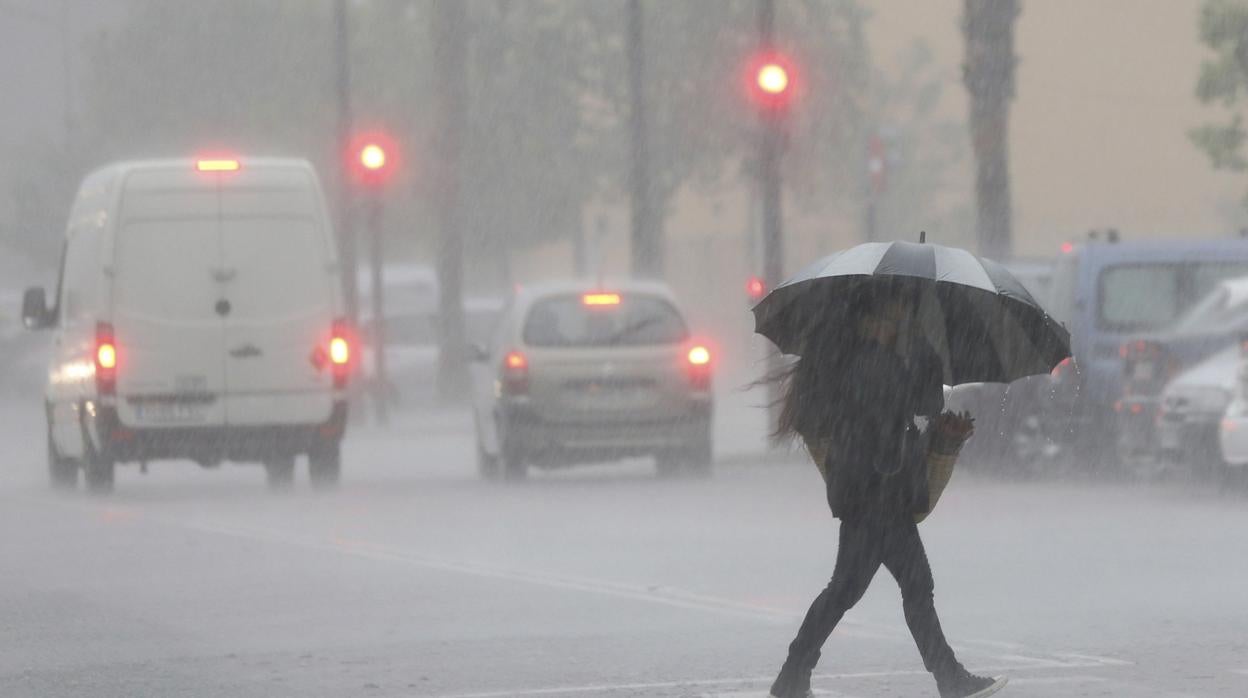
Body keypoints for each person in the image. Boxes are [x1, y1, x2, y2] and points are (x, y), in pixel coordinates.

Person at [769, 283, 1005, 698]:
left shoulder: (864, 360)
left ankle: (794, 673)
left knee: (853, 589)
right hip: (877, 496)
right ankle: (949, 679)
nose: (902, 316)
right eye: (900, 309)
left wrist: (916, 355)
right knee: (898, 588)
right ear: (879, 316)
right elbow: (921, 403)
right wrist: (924, 356)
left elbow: (908, 410)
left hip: (872, 495)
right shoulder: (874, 363)